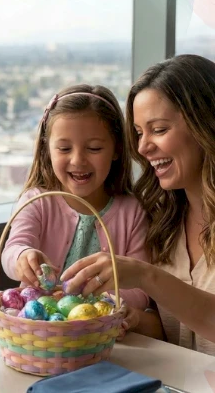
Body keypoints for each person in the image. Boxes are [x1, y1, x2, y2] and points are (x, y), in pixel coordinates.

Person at [61, 54, 215, 355]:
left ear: (205, 125)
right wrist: (135, 321)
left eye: (158, 130)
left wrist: (145, 275)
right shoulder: (163, 220)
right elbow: (177, 331)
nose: (143, 148)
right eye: (139, 133)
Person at [1, 84, 151, 320]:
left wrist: (99, 303)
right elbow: (11, 252)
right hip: (40, 337)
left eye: (94, 148)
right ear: (47, 149)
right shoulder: (37, 202)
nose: (78, 160)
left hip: (104, 339)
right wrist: (23, 256)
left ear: (117, 149)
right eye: (64, 148)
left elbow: (141, 292)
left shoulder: (132, 213)